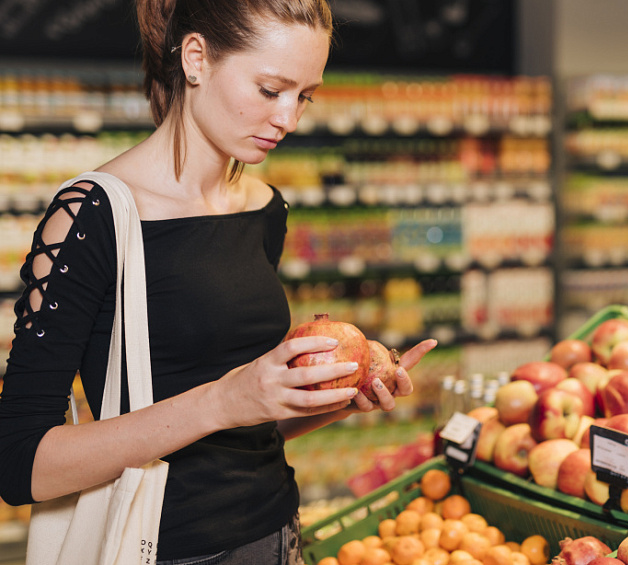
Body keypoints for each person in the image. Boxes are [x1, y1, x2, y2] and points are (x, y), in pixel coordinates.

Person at [0, 0, 437, 563]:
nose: (289, 119)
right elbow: (21, 464)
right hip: (157, 547)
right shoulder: (93, 217)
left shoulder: (264, 208)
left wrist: (332, 401)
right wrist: (224, 400)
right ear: (196, 59)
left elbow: (244, 429)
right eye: (270, 90)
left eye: (304, 96)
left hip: (277, 534)